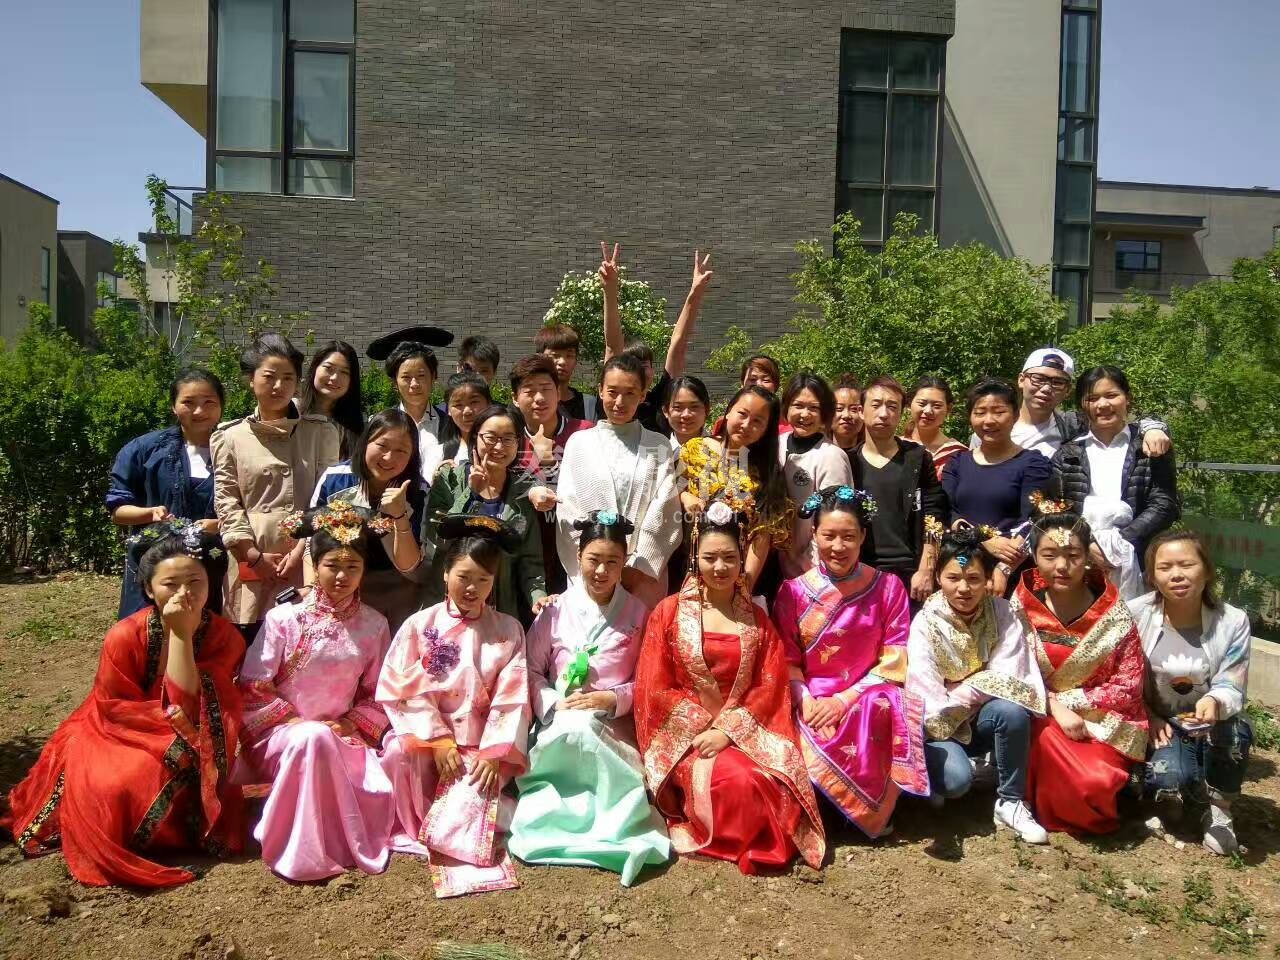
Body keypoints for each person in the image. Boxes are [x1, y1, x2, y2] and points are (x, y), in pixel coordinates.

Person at [3, 522, 243, 887]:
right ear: (148, 588)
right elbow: (113, 707)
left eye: (195, 582)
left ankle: (183, 833)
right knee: (114, 784)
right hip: (114, 730)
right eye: (170, 584)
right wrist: (166, 727)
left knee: (178, 757)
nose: (184, 593)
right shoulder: (124, 635)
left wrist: (181, 634)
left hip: (191, 727)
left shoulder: (224, 636)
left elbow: (196, 704)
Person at [634, 504, 825, 875]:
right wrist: (704, 728)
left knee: (772, 780)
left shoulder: (757, 618)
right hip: (691, 738)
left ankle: (762, 839)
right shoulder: (669, 613)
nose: (719, 567)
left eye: (729, 558)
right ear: (695, 558)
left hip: (745, 733)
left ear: (742, 560)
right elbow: (654, 687)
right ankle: (740, 840)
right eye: (710, 558)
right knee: (742, 781)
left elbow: (770, 685)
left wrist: (729, 731)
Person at [237, 505, 402, 881]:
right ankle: (301, 852)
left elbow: (379, 692)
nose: (342, 576)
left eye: (352, 566)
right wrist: (295, 722)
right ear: (314, 564)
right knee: (312, 738)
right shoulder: (283, 618)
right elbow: (253, 686)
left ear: (364, 571)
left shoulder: (374, 625)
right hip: (282, 736)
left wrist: (348, 724)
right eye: (332, 565)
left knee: (395, 747)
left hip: (344, 735)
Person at [509, 511, 672, 886]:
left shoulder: (639, 614)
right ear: (578, 557)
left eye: (612, 562)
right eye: (593, 560)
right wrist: (552, 702)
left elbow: (649, 680)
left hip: (613, 723)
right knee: (574, 728)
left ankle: (609, 825)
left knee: (587, 729)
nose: (601, 571)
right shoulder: (554, 610)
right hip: (560, 717)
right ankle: (555, 821)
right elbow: (529, 669)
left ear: (624, 562)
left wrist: (610, 699)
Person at [377, 515, 531, 897]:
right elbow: (400, 687)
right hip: (427, 740)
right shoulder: (418, 625)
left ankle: (462, 818)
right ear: (445, 573)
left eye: (483, 579)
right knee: (397, 753)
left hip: (480, 746)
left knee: (477, 787)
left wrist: (493, 752)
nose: (472, 588)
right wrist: (438, 740)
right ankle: (417, 826)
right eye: (464, 576)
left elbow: (512, 696)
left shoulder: (509, 629)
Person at [772, 486, 928, 839]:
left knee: (882, 705)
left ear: (863, 537)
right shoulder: (793, 592)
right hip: (810, 701)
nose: (838, 546)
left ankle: (864, 809)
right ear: (814, 534)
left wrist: (843, 702)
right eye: (829, 536)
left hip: (864, 696)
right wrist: (809, 703)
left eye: (848, 536)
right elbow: (787, 660)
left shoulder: (888, 587)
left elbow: (894, 660)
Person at [906, 529, 1049, 843]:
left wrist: (959, 689)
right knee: (956, 782)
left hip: (984, 717)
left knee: (1011, 711)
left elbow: (1008, 675)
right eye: (953, 577)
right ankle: (958, 771)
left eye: (973, 578)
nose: (963, 588)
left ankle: (1010, 801)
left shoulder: (1004, 613)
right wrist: (979, 686)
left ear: (987, 578)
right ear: (938, 577)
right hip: (942, 725)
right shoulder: (925, 622)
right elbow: (924, 688)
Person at [1014, 503, 1148, 835]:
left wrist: (1069, 703)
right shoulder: (1020, 605)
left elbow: (1128, 685)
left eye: (1072, 555)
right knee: (1047, 743)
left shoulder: (1114, 613)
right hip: (1038, 712)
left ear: (1087, 555)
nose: (1061, 566)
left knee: (1095, 781)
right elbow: (1010, 670)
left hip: (1100, 721)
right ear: (1034, 556)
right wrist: (1052, 706)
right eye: (1049, 555)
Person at [211, 334, 340, 644]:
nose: (278, 386)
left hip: (306, 557)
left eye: (288, 378)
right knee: (248, 646)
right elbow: (227, 500)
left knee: (302, 646)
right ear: (250, 379)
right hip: (251, 555)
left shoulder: (320, 432)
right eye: (269, 377)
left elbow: (330, 499)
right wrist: (251, 554)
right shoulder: (229, 437)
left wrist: (300, 550)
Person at [1130, 531, 1252, 856]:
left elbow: (1233, 680)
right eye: (1165, 567)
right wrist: (1148, 714)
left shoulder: (1233, 621)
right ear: (1152, 576)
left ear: (1207, 570)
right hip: (1159, 722)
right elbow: (1124, 677)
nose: (1176, 575)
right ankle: (1180, 790)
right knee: (1169, 781)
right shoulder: (1135, 614)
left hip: (1209, 721)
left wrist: (1213, 699)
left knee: (1237, 731)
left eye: (1186, 564)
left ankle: (1219, 809)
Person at [556, 354, 682, 610]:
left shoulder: (658, 445)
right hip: (591, 575)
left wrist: (638, 566)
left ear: (643, 395)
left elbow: (666, 508)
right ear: (600, 390)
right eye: (612, 392)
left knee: (640, 632)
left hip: (642, 578)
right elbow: (567, 508)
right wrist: (594, 562)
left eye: (630, 393)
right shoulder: (579, 443)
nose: (620, 402)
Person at [107, 369, 225, 618]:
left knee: (208, 630)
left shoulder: (235, 448)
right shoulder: (144, 450)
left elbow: (253, 509)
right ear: (173, 406)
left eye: (209, 402)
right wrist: (149, 513)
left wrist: (222, 525)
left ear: (221, 405)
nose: (199, 411)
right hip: (156, 566)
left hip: (213, 567)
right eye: (188, 402)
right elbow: (118, 510)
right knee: (149, 630)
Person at [421, 406, 547, 625]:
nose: (498, 446)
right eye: (490, 437)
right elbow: (437, 538)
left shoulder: (523, 490)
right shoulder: (449, 478)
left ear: (518, 443)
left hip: (499, 610)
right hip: (449, 605)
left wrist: (538, 597)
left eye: (508, 439)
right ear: (475, 436)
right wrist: (471, 494)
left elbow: (530, 559)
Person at [1052, 365, 1180, 571]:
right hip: (1079, 559)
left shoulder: (1151, 446)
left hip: (1138, 558)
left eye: (1111, 395)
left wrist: (1118, 542)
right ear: (1082, 405)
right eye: (1092, 398)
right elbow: (1056, 509)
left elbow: (1165, 504)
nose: (1103, 404)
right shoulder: (1066, 454)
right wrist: (1086, 543)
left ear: (1127, 398)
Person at [311, 410, 427, 634]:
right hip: (339, 581)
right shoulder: (335, 478)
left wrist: (399, 516)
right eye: (382, 445)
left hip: (397, 586)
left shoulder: (418, 491)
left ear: (412, 455)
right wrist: (310, 587)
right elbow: (311, 538)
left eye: (401, 451)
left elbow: (409, 565)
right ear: (365, 441)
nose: (389, 458)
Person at [942, 378, 1052, 597]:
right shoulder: (957, 463)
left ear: (1015, 415)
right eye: (980, 412)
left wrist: (1004, 569)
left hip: (1012, 573)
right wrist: (983, 539)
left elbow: (1035, 519)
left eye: (999, 412)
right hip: (962, 570)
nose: (989, 420)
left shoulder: (1033, 463)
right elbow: (947, 512)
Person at [677, 385, 792, 594]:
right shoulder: (695, 449)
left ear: (767, 429)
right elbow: (670, 488)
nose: (747, 425)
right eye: (742, 414)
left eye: (757, 421)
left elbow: (762, 537)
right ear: (729, 411)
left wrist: (744, 587)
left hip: (733, 575)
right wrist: (685, 496)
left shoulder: (767, 474)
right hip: (688, 566)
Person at [849, 376, 948, 605]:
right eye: (876, 405)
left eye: (892, 406)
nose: (884, 413)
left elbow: (934, 516)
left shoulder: (917, 458)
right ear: (861, 411)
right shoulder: (848, 461)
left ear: (902, 413)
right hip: (861, 570)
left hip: (911, 574)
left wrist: (926, 569)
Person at [600, 243, 713, 434]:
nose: (639, 370)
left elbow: (678, 344)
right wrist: (609, 290)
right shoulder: (613, 398)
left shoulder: (661, 396)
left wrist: (695, 294)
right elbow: (612, 345)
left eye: (645, 365)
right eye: (633, 364)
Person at [508, 355, 591, 595]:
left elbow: (592, 490)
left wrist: (549, 462)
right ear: (515, 398)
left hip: (579, 553)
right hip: (529, 560)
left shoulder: (585, 434)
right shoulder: (509, 442)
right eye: (529, 391)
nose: (539, 398)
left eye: (546, 389)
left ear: (558, 392)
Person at [1001, 347, 1170, 460]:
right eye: (1038, 378)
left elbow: (1121, 424)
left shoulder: (1074, 425)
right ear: (1021, 380)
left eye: (1057, 382)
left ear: (1068, 390)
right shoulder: (995, 425)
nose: (1046, 388)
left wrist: (1153, 428)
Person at [777, 373, 854, 580]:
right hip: (772, 565)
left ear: (825, 413)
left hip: (809, 570)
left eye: (813, 408)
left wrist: (809, 567)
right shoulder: (776, 444)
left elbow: (834, 519)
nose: (805, 414)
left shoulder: (831, 456)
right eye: (798, 405)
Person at [367, 326, 453, 480]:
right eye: (406, 377)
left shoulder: (450, 426)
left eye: (421, 375)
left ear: (434, 376)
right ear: (395, 382)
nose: (414, 384)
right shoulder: (377, 424)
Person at [299, 340, 365, 459]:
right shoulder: (292, 413)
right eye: (329, 368)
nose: (335, 378)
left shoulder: (358, 427)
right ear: (314, 368)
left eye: (344, 372)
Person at [903, 376, 967, 481]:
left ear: (949, 409)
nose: (928, 411)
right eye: (922, 404)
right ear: (909, 404)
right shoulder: (894, 447)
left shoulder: (959, 455)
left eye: (937, 406)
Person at [535, 324, 602, 422]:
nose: (562, 362)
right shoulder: (531, 403)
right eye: (555, 355)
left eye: (569, 356)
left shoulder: (590, 405)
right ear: (540, 358)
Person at [438, 369, 492, 464]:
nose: (467, 411)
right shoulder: (437, 453)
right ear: (448, 410)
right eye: (458, 405)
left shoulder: (502, 448)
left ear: (489, 404)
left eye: (474, 402)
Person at [663, 374, 711, 450]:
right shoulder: (658, 453)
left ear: (707, 409)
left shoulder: (721, 449)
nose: (686, 415)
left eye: (694, 407)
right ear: (665, 411)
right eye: (678, 407)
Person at [831, 374, 864, 455]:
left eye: (854, 409)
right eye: (839, 408)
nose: (846, 415)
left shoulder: (872, 456)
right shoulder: (816, 454)